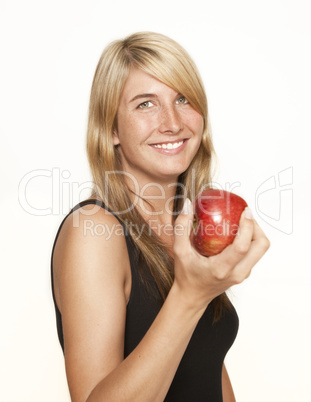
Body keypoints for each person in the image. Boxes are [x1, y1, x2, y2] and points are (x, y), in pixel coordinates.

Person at [51, 31, 270, 402]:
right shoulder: (95, 231)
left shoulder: (190, 233)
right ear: (111, 128)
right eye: (145, 104)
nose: (172, 122)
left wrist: (199, 294)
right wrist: (190, 296)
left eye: (182, 99)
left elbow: (207, 367)